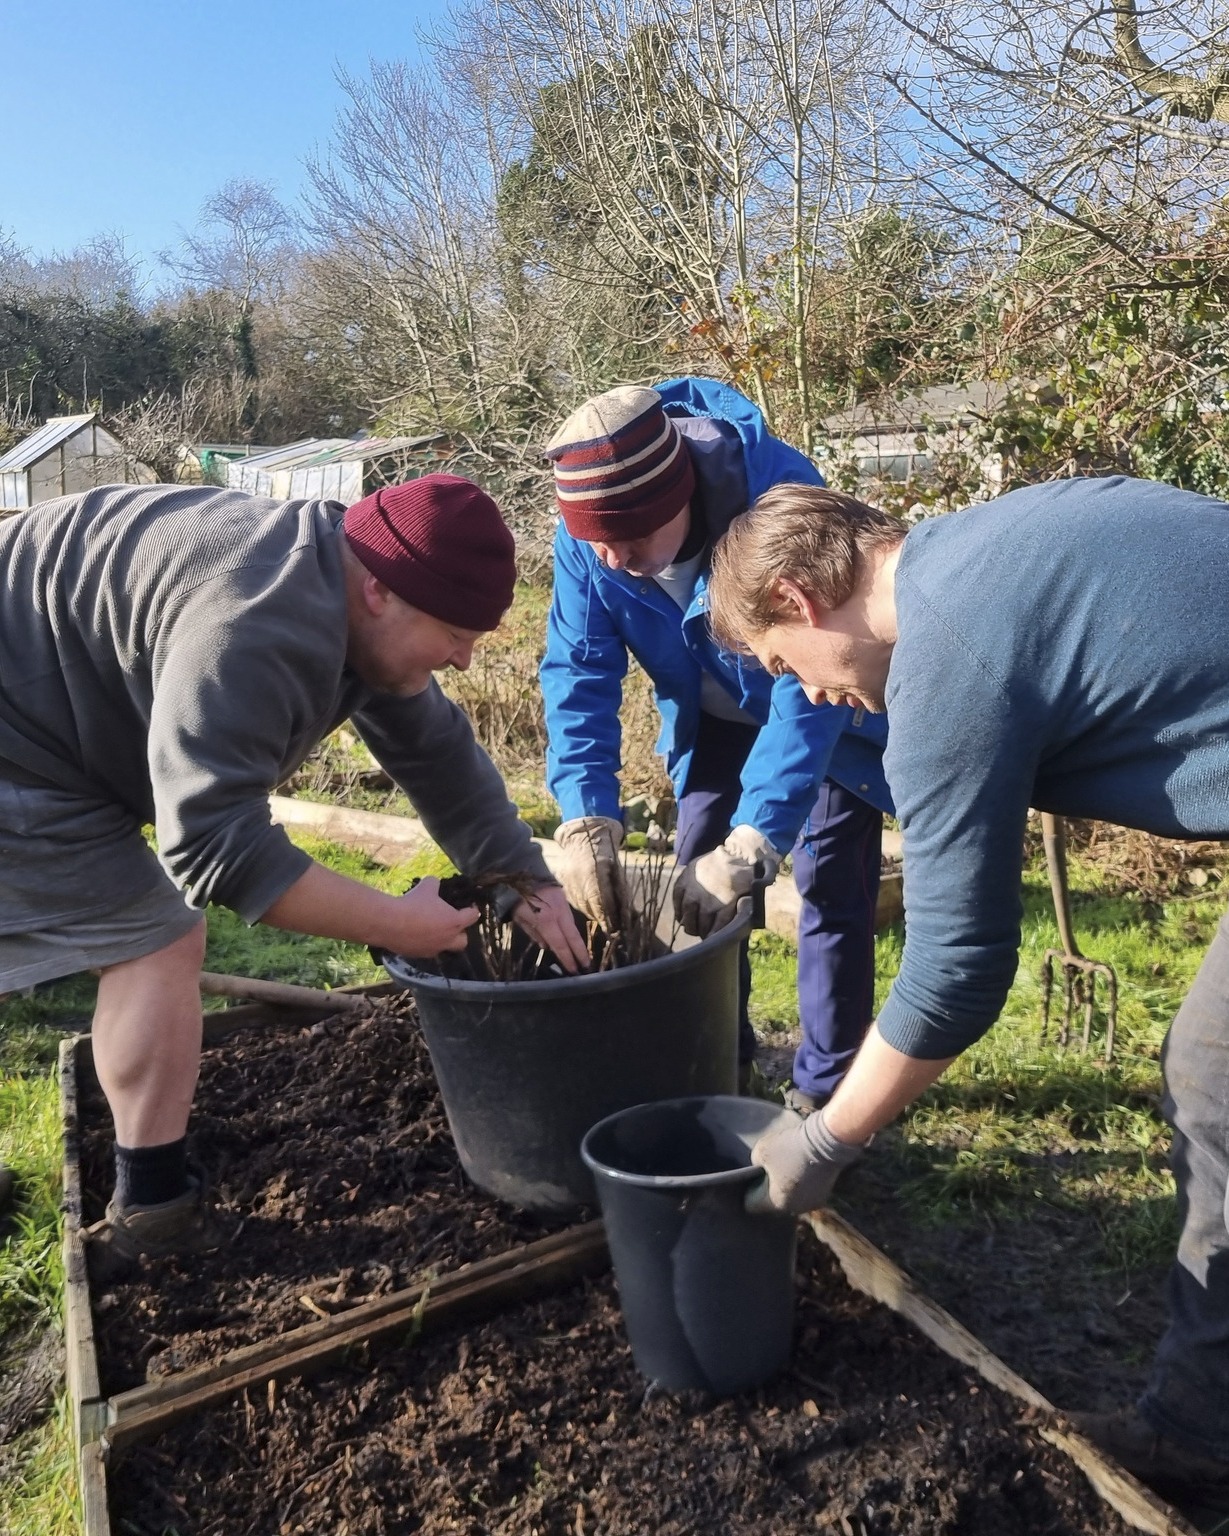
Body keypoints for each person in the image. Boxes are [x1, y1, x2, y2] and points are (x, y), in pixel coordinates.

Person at [705, 474, 1229, 1512]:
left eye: (782, 665)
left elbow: (953, 969)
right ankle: (1198, 1428)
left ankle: (1193, 1429)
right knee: (1212, 1069)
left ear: (799, 601)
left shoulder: (946, 653)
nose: (806, 693)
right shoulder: (984, 547)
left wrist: (824, 1141)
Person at [0, 474, 587, 1275]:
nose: (465, 656)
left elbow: (436, 752)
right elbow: (214, 846)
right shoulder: (257, 621)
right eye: (454, 632)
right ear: (381, 592)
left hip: (51, 697)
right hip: (16, 728)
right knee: (157, 940)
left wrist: (522, 874)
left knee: (149, 938)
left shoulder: (347, 581)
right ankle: (152, 1215)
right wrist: (398, 925)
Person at [541, 378, 891, 1103]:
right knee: (694, 878)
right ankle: (718, 1062)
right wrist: (585, 810)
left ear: (680, 499)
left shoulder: (783, 502)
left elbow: (812, 679)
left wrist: (759, 834)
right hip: (711, 724)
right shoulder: (589, 542)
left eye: (631, 540)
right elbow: (579, 670)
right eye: (596, 544)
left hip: (822, 713)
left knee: (829, 887)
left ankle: (825, 1093)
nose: (612, 560)